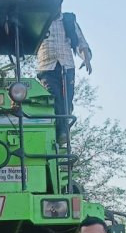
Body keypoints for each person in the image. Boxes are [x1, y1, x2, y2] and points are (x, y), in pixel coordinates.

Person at [36, 9, 92, 147]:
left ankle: (62, 132)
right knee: (53, 98)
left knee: (67, 99)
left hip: (66, 65)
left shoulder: (68, 20)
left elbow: (81, 42)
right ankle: (60, 133)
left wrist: (86, 59)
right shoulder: (39, 19)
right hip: (47, 67)